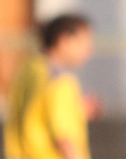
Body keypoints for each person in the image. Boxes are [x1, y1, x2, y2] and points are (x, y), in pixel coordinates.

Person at [4, 14, 97, 159]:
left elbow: (36, 114)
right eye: (84, 44)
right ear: (64, 40)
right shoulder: (60, 80)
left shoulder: (28, 69)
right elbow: (63, 135)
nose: (88, 52)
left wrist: (77, 108)